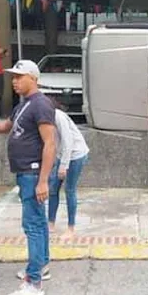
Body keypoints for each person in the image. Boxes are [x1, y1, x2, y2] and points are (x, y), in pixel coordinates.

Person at [0, 60, 56, 295]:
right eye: (13, 77)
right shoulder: (23, 106)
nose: (14, 81)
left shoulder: (41, 105)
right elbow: (6, 126)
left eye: (19, 77)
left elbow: (50, 143)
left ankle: (33, 282)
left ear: (33, 78)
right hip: (25, 172)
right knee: (38, 223)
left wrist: (42, 180)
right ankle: (42, 264)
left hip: (33, 172)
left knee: (33, 225)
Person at [46, 98, 90, 240]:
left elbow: (67, 141)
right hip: (62, 154)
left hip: (75, 154)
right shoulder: (45, 117)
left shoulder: (58, 117)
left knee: (69, 190)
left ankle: (71, 228)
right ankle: (50, 223)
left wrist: (63, 166)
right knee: (53, 189)